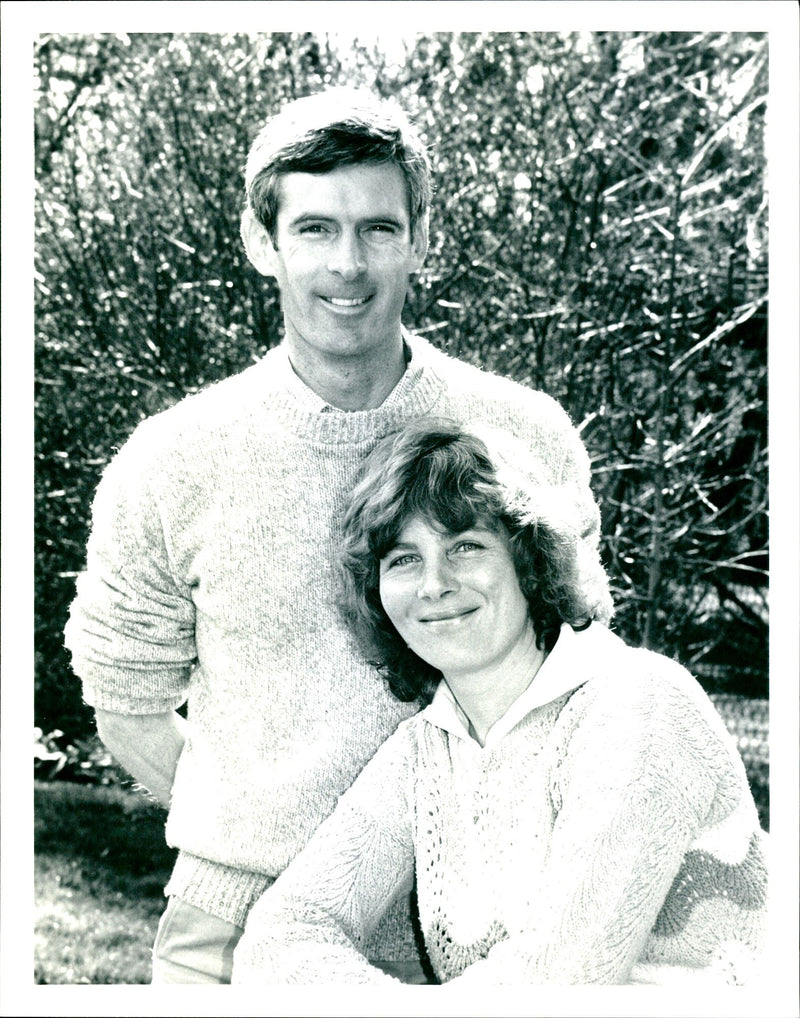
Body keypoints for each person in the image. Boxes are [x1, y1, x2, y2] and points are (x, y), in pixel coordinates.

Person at [64, 87, 608, 984]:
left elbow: (581, 676)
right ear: (260, 242)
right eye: (314, 229)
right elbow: (125, 702)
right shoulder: (172, 460)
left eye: (378, 230)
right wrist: (277, 843)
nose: (347, 264)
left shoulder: (524, 435)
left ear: (419, 239)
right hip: (232, 930)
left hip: (484, 934)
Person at [232, 419, 768, 987]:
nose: (433, 584)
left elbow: (562, 980)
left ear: (529, 559)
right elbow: (279, 935)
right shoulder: (425, 748)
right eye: (403, 558)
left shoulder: (640, 704)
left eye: (465, 546)